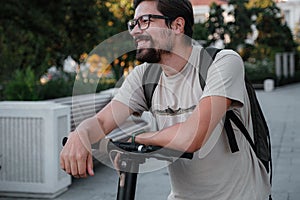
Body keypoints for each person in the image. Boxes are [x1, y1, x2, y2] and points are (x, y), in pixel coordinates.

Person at [60, 0, 271, 199]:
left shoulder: (222, 63)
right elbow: (103, 121)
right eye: (133, 23)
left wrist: (137, 140)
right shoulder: (144, 77)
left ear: (177, 25)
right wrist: (81, 134)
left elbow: (193, 136)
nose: (134, 31)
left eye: (145, 21)